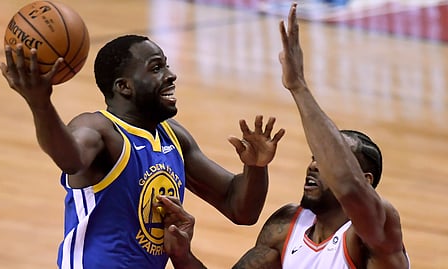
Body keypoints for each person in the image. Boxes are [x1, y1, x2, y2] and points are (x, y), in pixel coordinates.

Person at [0, 33, 285, 268]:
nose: (171, 75)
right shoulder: (100, 130)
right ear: (124, 87)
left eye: (167, 65)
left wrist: (256, 167)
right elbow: (70, 159)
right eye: (156, 67)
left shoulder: (174, 136)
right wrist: (41, 105)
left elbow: (240, 208)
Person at [160, 3, 411, 269]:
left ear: (366, 180)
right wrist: (183, 256)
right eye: (315, 157)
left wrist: (298, 86)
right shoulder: (286, 225)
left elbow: (349, 187)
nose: (314, 164)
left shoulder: (376, 230)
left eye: (326, 161)